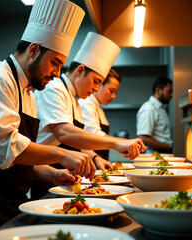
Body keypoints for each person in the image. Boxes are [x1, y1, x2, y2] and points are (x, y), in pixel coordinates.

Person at [0, 0, 90, 239]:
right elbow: (1, 146)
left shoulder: (29, 91)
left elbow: (15, 160)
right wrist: (62, 154)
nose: (57, 73)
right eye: (55, 62)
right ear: (33, 51)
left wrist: (51, 174)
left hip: (9, 203)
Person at [33, 32, 146, 199]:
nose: (95, 89)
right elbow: (64, 132)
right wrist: (116, 143)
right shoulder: (54, 88)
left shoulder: (75, 100)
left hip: (61, 173)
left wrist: (94, 156)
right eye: (96, 81)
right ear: (80, 70)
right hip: (44, 172)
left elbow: (77, 139)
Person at [78, 69, 121, 160]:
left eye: (115, 93)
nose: (113, 96)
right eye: (111, 90)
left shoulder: (98, 108)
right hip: (91, 161)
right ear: (99, 85)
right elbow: (93, 135)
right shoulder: (86, 104)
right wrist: (123, 143)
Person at [136, 76, 173, 154]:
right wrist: (166, 146)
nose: (171, 95)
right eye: (169, 91)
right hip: (155, 153)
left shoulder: (160, 108)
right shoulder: (149, 108)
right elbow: (143, 138)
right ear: (158, 90)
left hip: (162, 152)